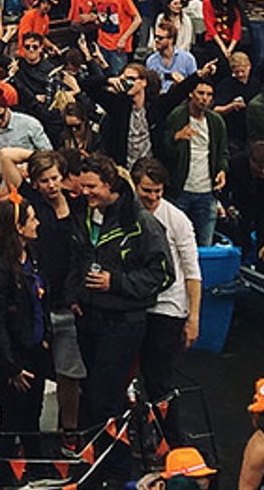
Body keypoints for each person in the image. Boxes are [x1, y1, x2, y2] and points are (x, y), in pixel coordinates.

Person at [65, 154, 171, 435]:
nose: (84, 192)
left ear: (110, 184)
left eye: (91, 187)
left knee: (106, 397)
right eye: (83, 186)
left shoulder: (141, 223)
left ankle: (116, 467)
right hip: (88, 317)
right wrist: (74, 295)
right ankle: (92, 458)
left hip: (123, 321)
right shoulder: (85, 214)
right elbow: (76, 258)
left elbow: (162, 274)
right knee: (90, 393)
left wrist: (117, 283)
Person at [132, 158, 200, 439]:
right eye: (147, 191)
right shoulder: (127, 214)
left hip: (169, 308)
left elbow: (192, 271)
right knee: (133, 376)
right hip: (136, 304)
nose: (152, 197)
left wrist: (193, 318)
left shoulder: (177, 219)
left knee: (159, 378)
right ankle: (143, 430)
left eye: (158, 192)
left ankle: (173, 439)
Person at [0, 197, 52, 461]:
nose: (38, 222)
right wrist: (11, 366)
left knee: (33, 413)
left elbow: (42, 299)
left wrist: (46, 338)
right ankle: (2, 472)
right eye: (32, 218)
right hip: (10, 354)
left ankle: (35, 464)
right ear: (18, 228)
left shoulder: (32, 256)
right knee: (11, 417)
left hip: (35, 348)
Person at [163, 80, 226, 246]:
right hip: (181, 190)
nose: (204, 98)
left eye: (209, 94)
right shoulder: (177, 116)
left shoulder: (216, 121)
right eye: (200, 93)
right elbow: (164, 151)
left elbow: (222, 152)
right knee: (174, 242)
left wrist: (221, 170)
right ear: (191, 94)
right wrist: (176, 138)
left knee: (205, 243)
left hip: (207, 191)